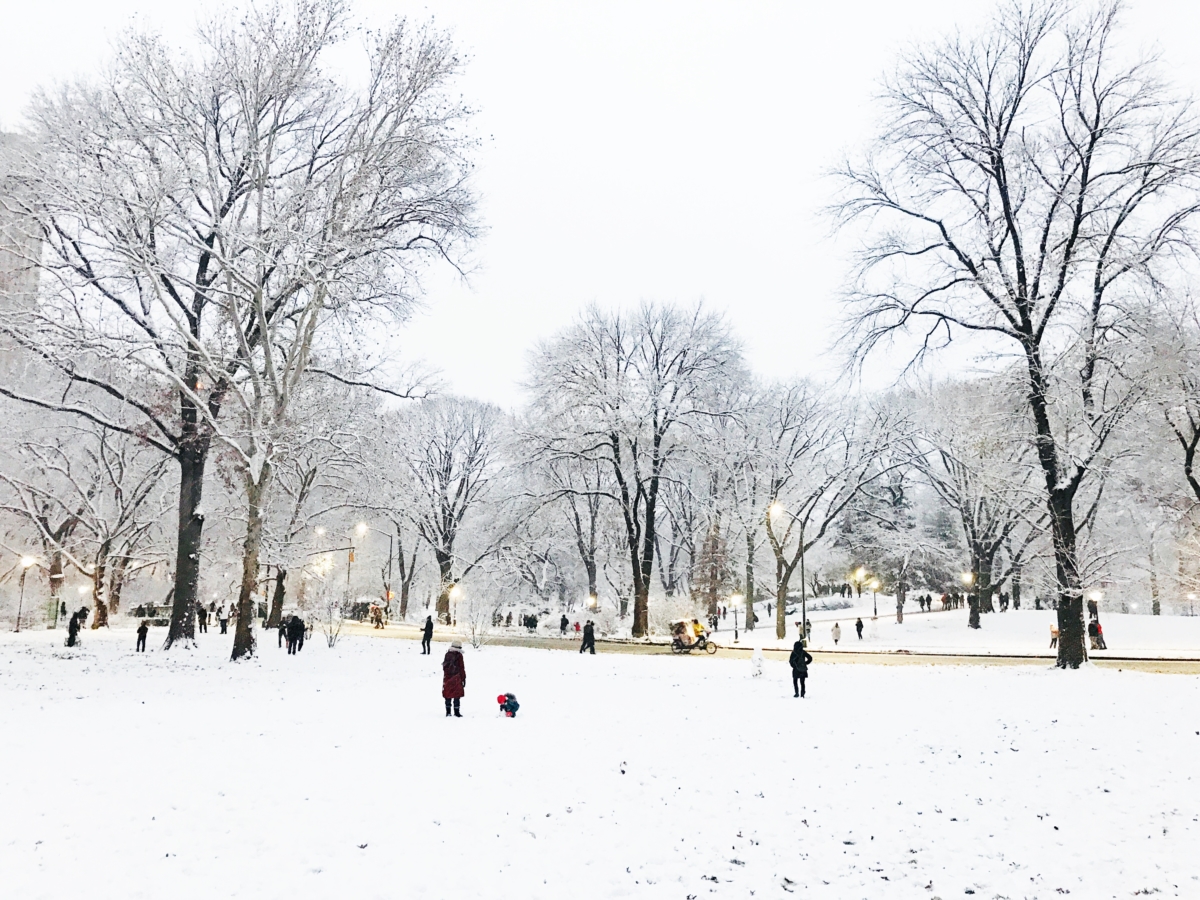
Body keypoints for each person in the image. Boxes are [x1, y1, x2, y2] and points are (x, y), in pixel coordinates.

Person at [442, 641, 466, 717]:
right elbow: (461, 668)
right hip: (456, 678)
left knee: (447, 695)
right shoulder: (459, 656)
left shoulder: (447, 654)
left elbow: (444, 667)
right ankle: (456, 712)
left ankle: (448, 712)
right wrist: (463, 678)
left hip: (448, 678)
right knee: (457, 695)